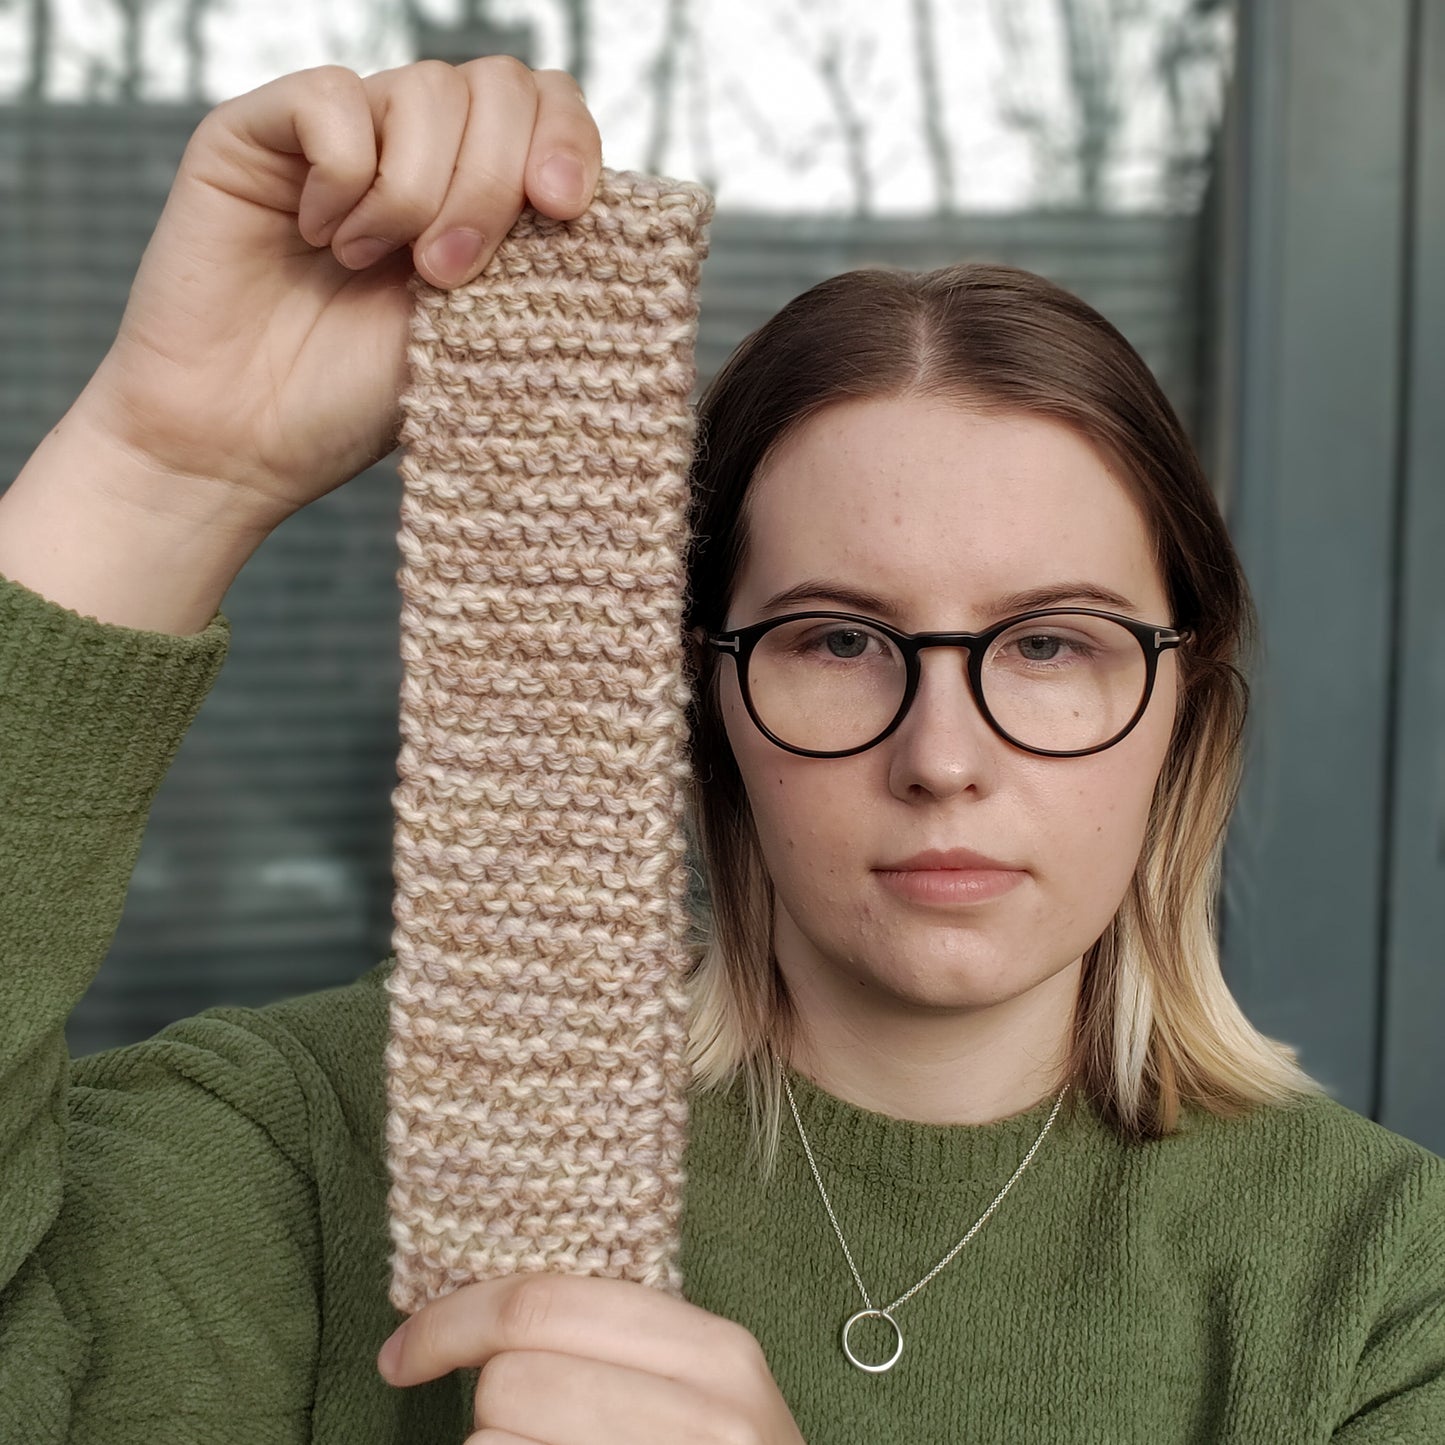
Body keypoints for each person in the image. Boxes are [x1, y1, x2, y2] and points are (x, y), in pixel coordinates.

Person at [0, 56, 1441, 1445]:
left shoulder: (1381, 1291)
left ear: (1184, 704)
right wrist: (159, 473)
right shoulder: (323, 1140)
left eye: (1049, 645)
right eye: (834, 640)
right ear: (706, 703)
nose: (943, 756)